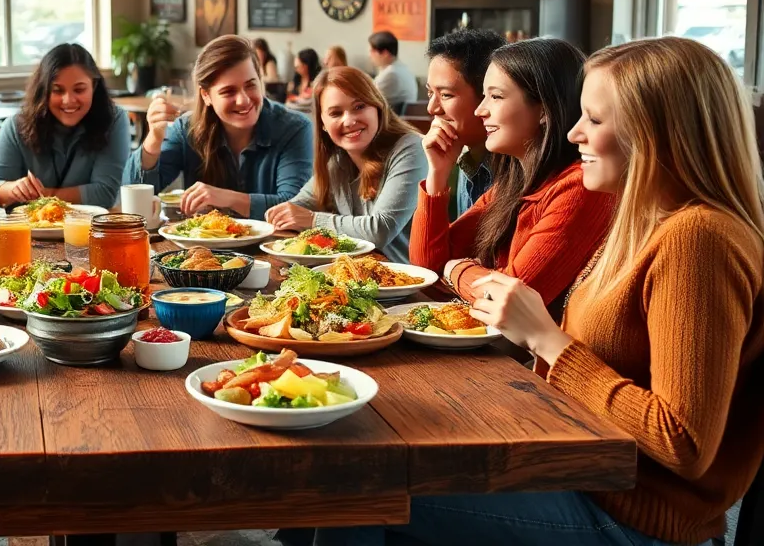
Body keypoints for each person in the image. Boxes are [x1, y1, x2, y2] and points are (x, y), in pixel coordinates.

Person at [320, 36, 764, 546]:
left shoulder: (698, 237)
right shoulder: (646, 222)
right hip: (573, 459)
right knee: (369, 444)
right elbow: (436, 267)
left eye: (594, 120)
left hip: (628, 514)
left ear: (660, 133)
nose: (574, 132)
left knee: (354, 479)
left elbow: (683, 442)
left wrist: (548, 341)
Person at [411, 38, 614, 316]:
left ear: (544, 109)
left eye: (495, 96)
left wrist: (454, 268)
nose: (481, 110)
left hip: (527, 358)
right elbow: (426, 269)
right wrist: (438, 173)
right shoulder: (515, 179)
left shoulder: (579, 186)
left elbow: (511, 302)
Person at [124, 34, 313, 217]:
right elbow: (133, 197)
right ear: (206, 95)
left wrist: (226, 198)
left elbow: (294, 207)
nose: (244, 100)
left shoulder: (294, 128)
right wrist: (154, 139)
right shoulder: (187, 128)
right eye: (228, 91)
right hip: (202, 247)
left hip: (274, 246)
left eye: (251, 85)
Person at [266, 67, 426, 263]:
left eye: (359, 107)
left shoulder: (410, 148)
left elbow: (379, 231)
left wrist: (311, 220)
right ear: (323, 123)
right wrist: (283, 215)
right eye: (335, 113)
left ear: (377, 107)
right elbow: (297, 207)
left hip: (414, 283)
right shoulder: (338, 162)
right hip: (359, 276)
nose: (349, 120)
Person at [0, 43, 130, 208]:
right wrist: (11, 189)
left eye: (79, 90)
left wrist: (38, 197)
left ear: (94, 87)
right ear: (44, 90)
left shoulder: (114, 120)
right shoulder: (16, 125)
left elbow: (105, 194)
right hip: (29, 231)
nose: (68, 100)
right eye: (58, 91)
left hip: (92, 230)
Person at [424, 28, 507, 220]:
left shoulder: (515, 172)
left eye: (445, 95)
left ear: (488, 96)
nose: (432, 108)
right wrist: (437, 174)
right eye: (430, 93)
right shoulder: (464, 158)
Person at [368, 31, 418, 110]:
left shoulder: (391, 74)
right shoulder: (400, 69)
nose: (369, 55)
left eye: (372, 51)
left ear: (385, 53)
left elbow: (367, 98)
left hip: (392, 120)